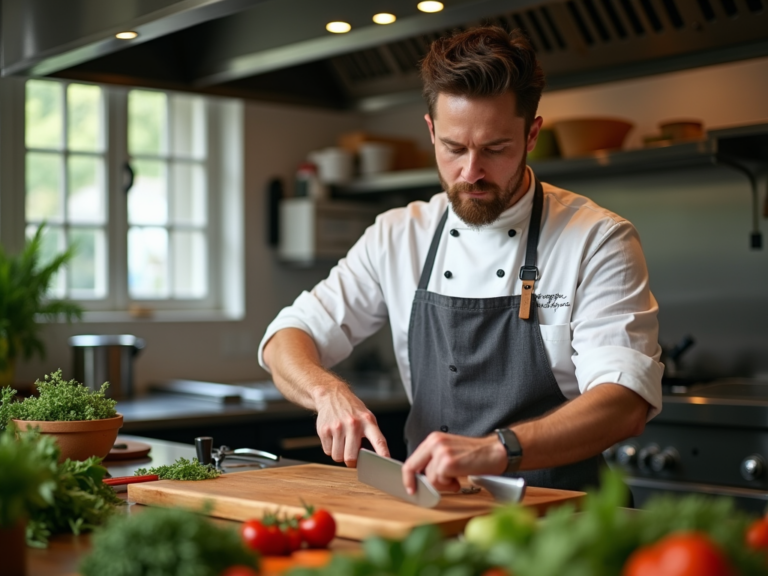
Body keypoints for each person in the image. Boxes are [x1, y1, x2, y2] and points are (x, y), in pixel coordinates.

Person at [259, 26, 663, 494]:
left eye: (495, 148)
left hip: (560, 517)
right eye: (453, 148)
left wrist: (495, 450)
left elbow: (624, 401)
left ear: (532, 134)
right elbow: (286, 337)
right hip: (433, 509)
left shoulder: (597, 238)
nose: (471, 172)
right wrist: (327, 392)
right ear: (431, 131)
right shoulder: (398, 234)